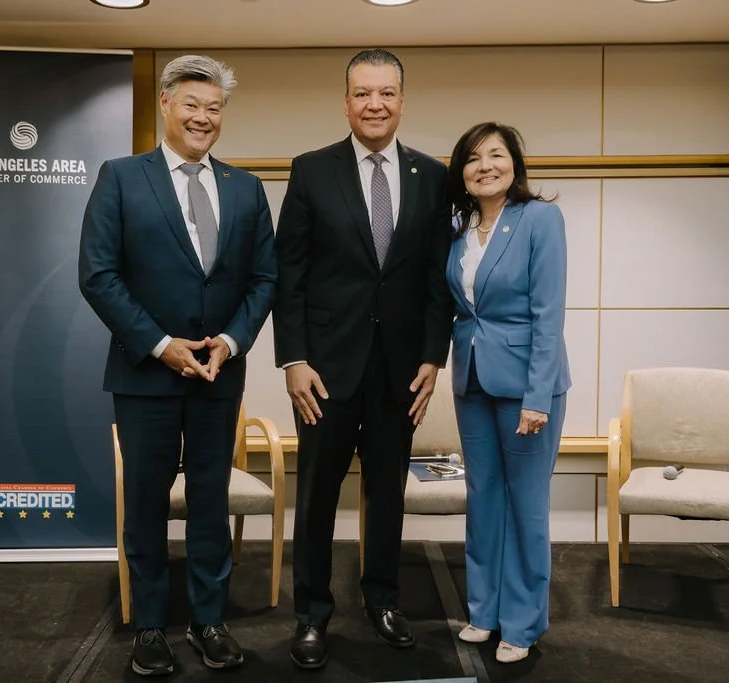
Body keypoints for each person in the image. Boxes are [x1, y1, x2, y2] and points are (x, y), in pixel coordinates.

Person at [78, 55, 276, 676]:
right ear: (165, 104)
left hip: (219, 375)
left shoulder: (246, 188)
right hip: (145, 376)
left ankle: (209, 619)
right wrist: (161, 344)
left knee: (211, 501)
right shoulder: (120, 177)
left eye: (215, 108)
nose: (203, 117)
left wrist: (232, 341)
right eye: (192, 104)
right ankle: (150, 627)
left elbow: (265, 279)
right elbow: (99, 275)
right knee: (145, 503)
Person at [273, 48, 453, 670]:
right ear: (345, 101)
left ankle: (382, 600)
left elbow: (437, 278)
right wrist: (293, 357)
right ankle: (312, 615)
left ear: (403, 100)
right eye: (362, 93)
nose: (374, 104)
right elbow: (287, 274)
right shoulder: (310, 170)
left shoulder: (432, 176)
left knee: (388, 492)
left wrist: (435, 355)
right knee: (318, 494)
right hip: (324, 369)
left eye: (386, 93)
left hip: (400, 370)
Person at [445, 122, 571, 663]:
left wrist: (538, 396)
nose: (485, 166)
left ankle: (521, 623)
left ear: (515, 164)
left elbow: (549, 314)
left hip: (527, 386)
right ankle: (484, 611)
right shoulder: (457, 228)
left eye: (496, 155)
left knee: (525, 505)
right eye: (473, 159)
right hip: (471, 378)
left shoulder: (540, 219)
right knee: (484, 498)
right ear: (462, 173)